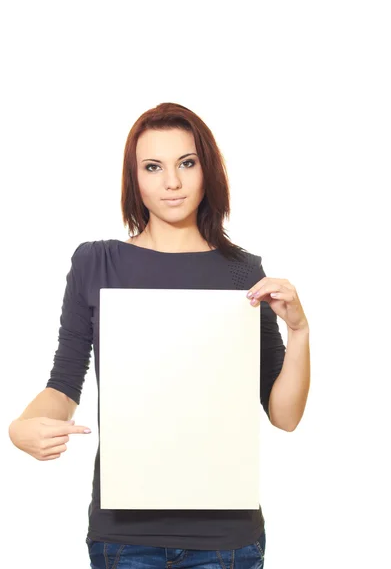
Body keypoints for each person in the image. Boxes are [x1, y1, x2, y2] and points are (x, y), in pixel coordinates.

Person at [8, 102, 310, 568]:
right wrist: (19, 428)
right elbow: (64, 382)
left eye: (186, 163)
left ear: (206, 170)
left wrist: (299, 329)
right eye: (153, 167)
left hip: (227, 541)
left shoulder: (243, 273)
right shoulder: (97, 262)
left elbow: (283, 415)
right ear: (136, 179)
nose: (172, 182)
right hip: (124, 539)